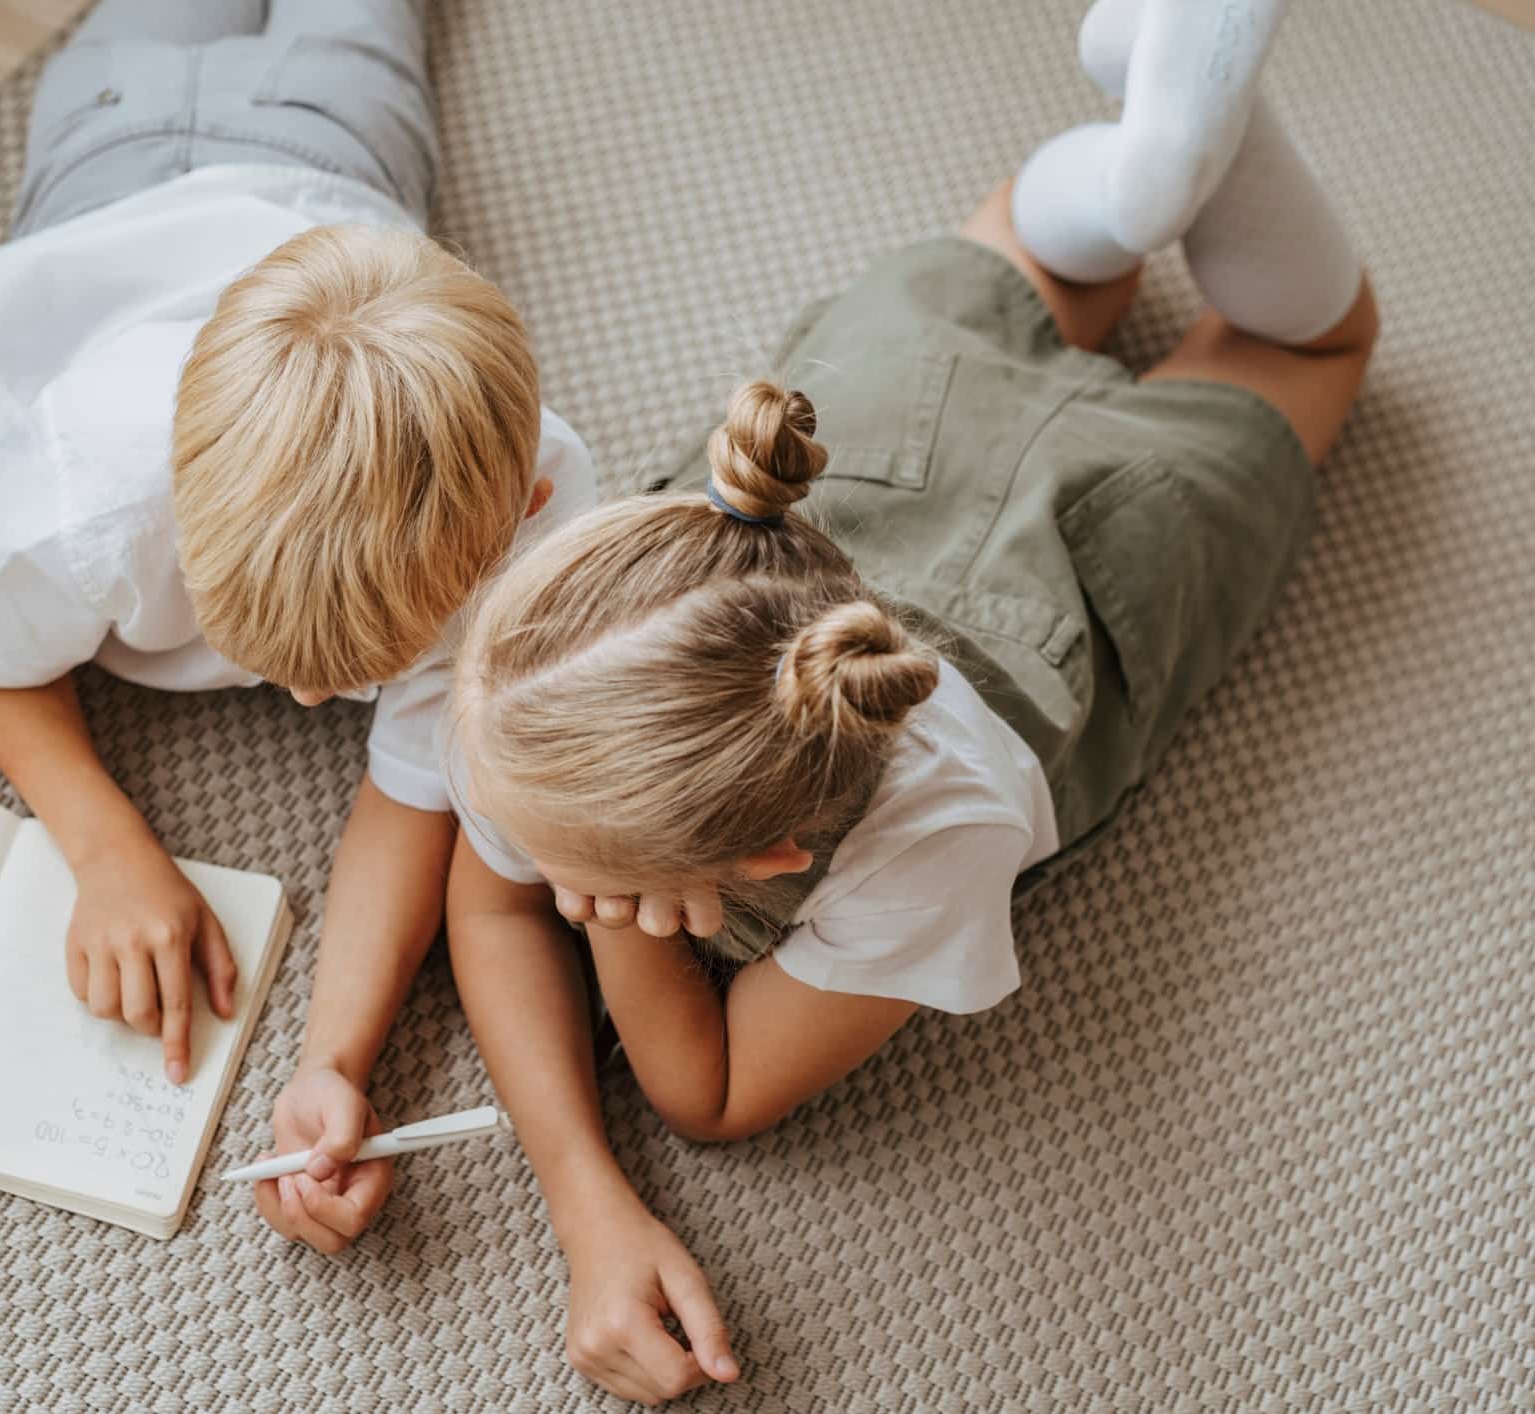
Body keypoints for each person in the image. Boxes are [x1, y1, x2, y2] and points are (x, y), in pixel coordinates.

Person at [442, 0, 1377, 1401]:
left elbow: (707, 1096)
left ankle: (1170, 171)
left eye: (580, 874)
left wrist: (618, 929)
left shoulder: (938, 839)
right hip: (874, 442)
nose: (506, 847)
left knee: (1314, 346)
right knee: (1021, 253)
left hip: (1091, 551)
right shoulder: (596, 660)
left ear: (760, 864)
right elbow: (486, 893)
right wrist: (586, 1194)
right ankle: (1141, 178)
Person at [0, 0, 597, 1253]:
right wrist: (107, 844)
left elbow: (415, 789)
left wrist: (335, 1055)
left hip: (338, 145)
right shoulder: (93, 496)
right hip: (109, 147)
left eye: (349, 676)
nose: (302, 707)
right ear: (174, 512)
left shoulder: (535, 508)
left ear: (522, 513)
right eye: (272, 660)